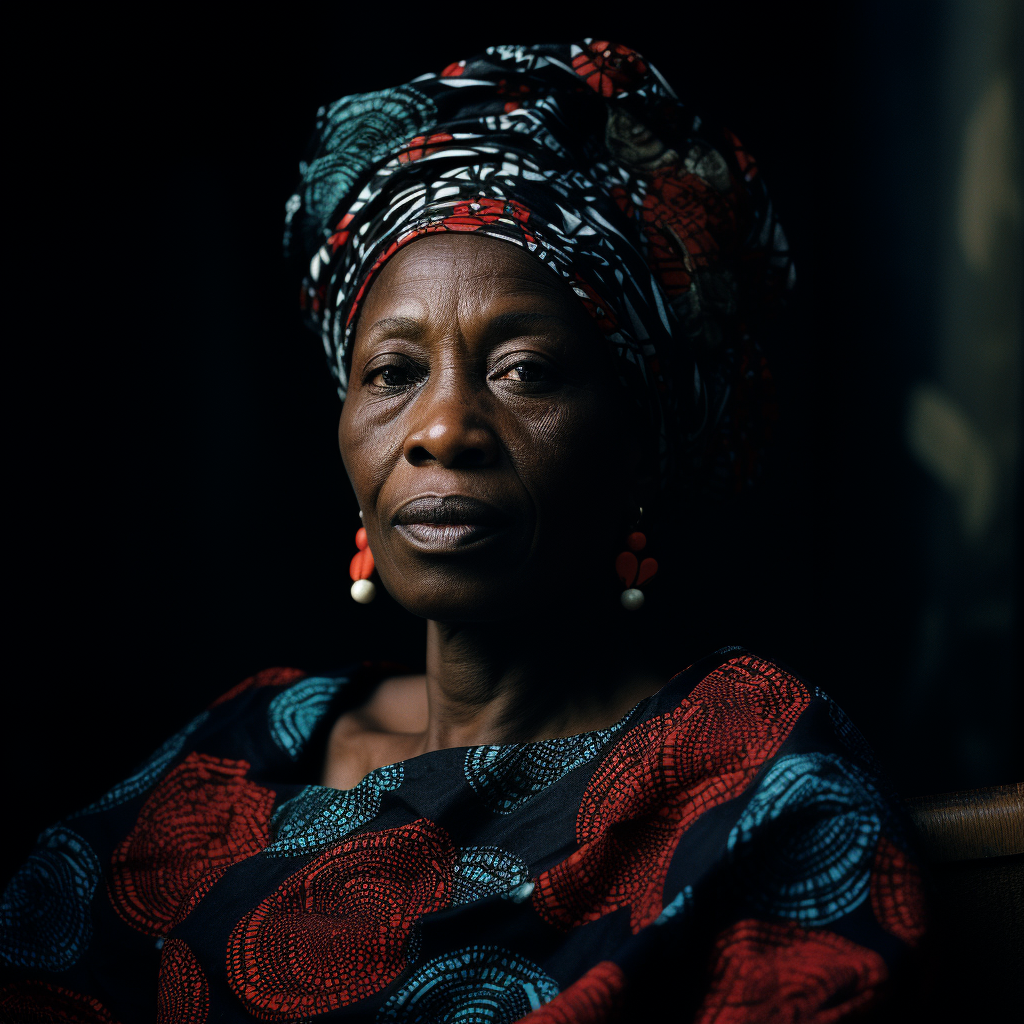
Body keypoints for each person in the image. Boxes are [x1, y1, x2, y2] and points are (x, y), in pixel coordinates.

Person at [0, 39, 924, 1023]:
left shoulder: (745, 770)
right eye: (393, 373)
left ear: (641, 444)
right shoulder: (243, 750)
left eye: (523, 370)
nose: (441, 430)